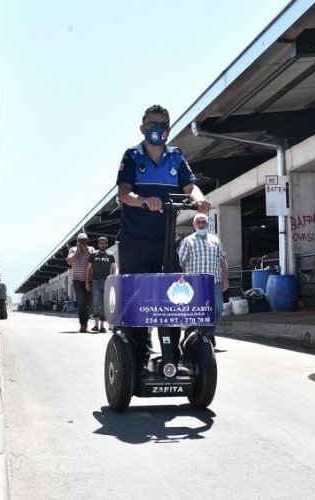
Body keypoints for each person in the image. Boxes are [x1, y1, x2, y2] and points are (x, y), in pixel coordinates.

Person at [116, 104, 211, 372]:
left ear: (168, 129)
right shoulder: (133, 156)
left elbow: (191, 186)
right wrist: (144, 200)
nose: (156, 129)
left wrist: (199, 199)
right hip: (135, 242)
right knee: (137, 301)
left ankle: (173, 356)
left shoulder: (176, 158)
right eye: (151, 125)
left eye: (161, 124)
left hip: (166, 243)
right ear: (142, 128)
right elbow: (123, 193)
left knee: (173, 298)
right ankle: (138, 356)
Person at [178, 213, 229, 343]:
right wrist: (181, 281)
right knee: (197, 311)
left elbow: (223, 260)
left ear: (207, 224)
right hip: (195, 284)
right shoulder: (187, 241)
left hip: (214, 283)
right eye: (199, 222)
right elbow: (181, 263)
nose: (201, 224)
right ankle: (196, 335)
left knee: (217, 309)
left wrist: (226, 279)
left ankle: (208, 333)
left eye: (204, 222)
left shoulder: (215, 240)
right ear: (194, 225)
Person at [86, 236, 116, 333]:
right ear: (98, 244)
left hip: (107, 282)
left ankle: (102, 326)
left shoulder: (110, 255)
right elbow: (88, 268)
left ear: (107, 244)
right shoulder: (93, 255)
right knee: (96, 302)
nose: (102, 245)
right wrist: (87, 281)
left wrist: (114, 280)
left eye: (104, 243)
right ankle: (95, 325)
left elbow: (114, 268)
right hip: (96, 282)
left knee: (104, 304)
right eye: (101, 243)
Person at [67, 232, 95, 332]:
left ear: (87, 241)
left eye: (85, 240)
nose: (83, 242)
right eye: (81, 240)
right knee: (81, 300)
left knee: (89, 302)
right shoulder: (73, 250)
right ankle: (83, 324)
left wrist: (85, 250)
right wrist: (78, 252)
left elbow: (94, 259)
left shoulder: (91, 249)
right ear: (77, 241)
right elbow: (69, 261)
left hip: (90, 279)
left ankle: (85, 322)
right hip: (77, 280)